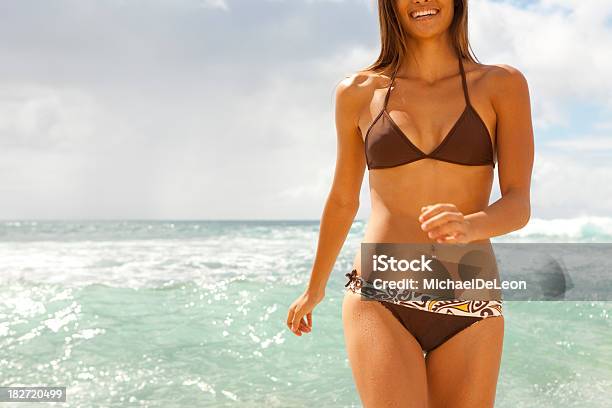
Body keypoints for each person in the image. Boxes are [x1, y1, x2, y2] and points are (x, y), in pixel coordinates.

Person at [286, 0, 534, 407]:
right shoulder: (358, 92)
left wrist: (472, 225)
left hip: (469, 295)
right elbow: (343, 199)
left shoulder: (502, 84)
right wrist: (314, 290)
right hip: (380, 294)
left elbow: (518, 202)